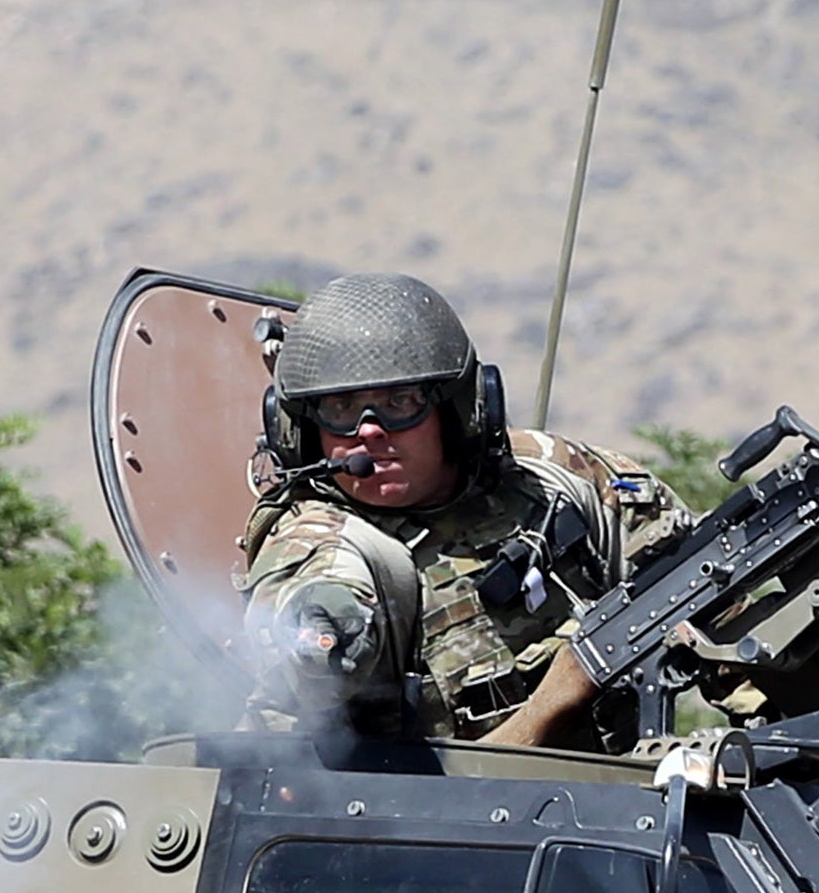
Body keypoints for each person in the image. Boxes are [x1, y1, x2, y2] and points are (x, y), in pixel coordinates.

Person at [239, 272, 692, 750]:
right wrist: (322, 633)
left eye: (400, 401)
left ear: (456, 410)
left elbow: (717, 608)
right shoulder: (318, 542)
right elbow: (314, 613)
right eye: (341, 407)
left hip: (624, 803)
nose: (370, 431)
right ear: (300, 429)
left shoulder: (560, 479)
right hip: (412, 818)